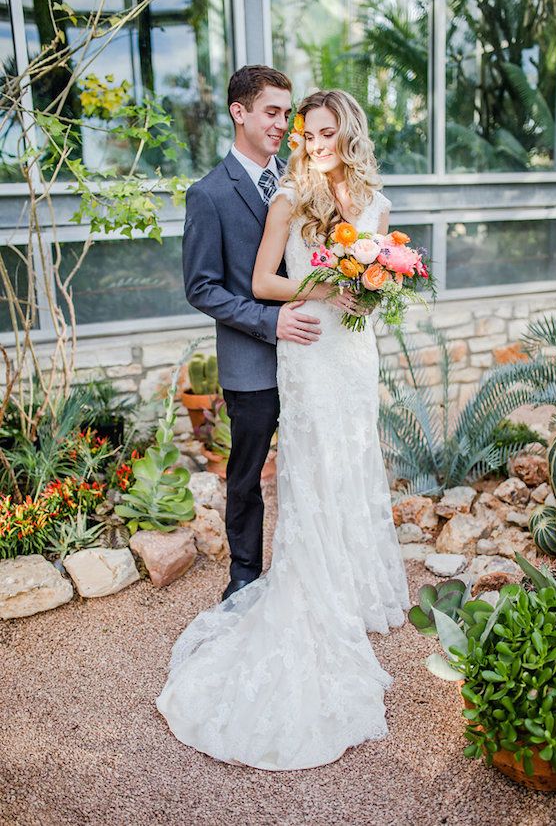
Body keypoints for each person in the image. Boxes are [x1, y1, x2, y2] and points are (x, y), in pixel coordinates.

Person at [157, 88, 411, 771]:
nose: (314, 141)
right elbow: (263, 280)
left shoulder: (378, 207)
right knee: (312, 466)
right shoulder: (289, 199)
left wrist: (374, 284)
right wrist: (324, 285)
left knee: (355, 462)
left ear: (347, 133)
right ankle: (303, 583)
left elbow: (380, 288)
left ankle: (355, 584)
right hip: (305, 348)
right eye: (307, 132)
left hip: (354, 355)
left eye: (326, 131)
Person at [180, 65, 322, 602]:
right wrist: (270, 321)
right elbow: (202, 288)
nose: (283, 123)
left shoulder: (305, 180)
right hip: (252, 361)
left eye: (288, 113)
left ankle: (308, 565)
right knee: (247, 474)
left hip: (313, 351)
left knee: (312, 461)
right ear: (239, 112)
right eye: (272, 111)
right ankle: (244, 573)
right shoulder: (209, 194)